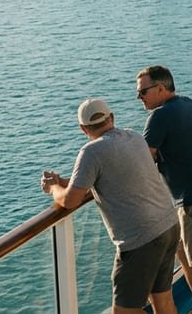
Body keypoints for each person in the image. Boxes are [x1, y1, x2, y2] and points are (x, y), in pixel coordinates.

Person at [43, 98, 180, 313]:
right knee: (163, 300)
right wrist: (65, 182)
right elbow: (106, 176)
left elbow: (70, 201)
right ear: (111, 118)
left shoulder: (91, 152)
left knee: (124, 311)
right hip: (169, 225)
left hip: (140, 239)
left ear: (83, 129)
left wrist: (53, 188)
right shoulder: (134, 137)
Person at [137, 66, 192, 314]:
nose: (139, 97)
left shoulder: (160, 116)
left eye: (143, 91)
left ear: (160, 88)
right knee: (184, 253)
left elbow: (145, 161)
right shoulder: (186, 103)